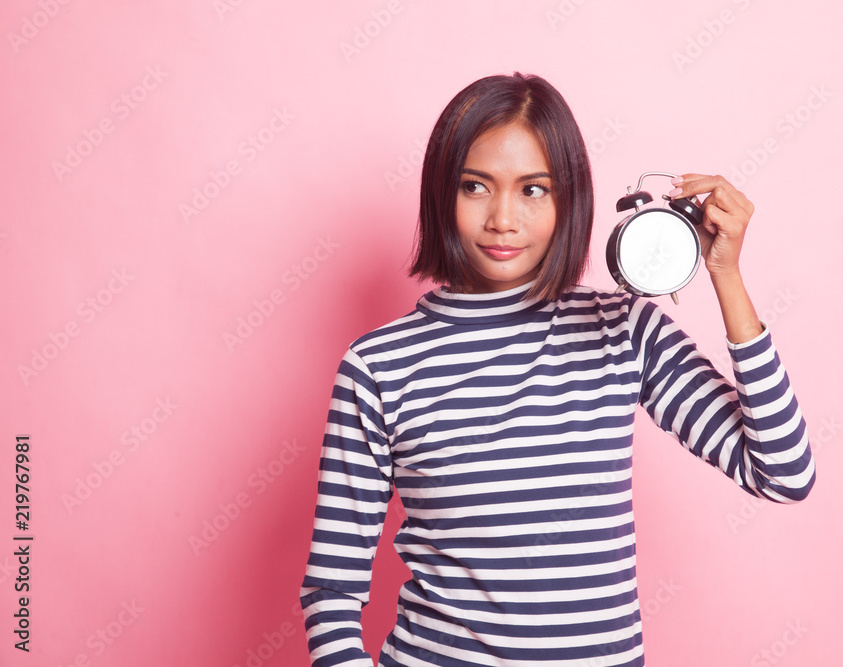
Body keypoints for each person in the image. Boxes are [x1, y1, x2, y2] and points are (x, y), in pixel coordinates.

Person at [299, 72, 815, 667]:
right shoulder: (377, 368)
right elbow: (332, 589)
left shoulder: (625, 331)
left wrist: (725, 273)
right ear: (441, 193)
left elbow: (782, 472)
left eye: (533, 190)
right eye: (475, 186)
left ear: (569, 198)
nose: (502, 219)